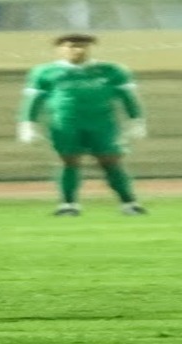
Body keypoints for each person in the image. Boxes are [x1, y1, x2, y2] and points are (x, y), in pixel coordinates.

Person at [18, 33, 147, 216]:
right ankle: (68, 205)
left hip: (102, 123)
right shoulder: (45, 72)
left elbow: (127, 97)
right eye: (72, 46)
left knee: (110, 160)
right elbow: (33, 100)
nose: (78, 50)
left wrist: (137, 120)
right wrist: (27, 124)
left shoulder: (110, 70)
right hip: (65, 124)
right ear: (60, 49)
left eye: (83, 46)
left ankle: (129, 203)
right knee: (68, 160)